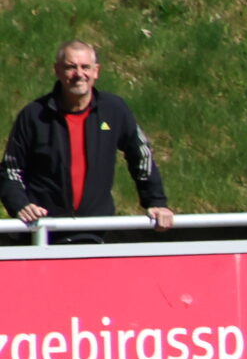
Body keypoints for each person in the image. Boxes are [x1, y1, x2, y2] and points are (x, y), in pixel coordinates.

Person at [3, 39, 170, 232]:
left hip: (96, 232)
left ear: (96, 71)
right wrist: (20, 205)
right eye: (71, 67)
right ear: (57, 70)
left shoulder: (114, 110)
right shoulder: (34, 116)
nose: (79, 74)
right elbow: (10, 171)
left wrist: (156, 201)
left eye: (85, 67)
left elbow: (141, 154)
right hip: (44, 233)